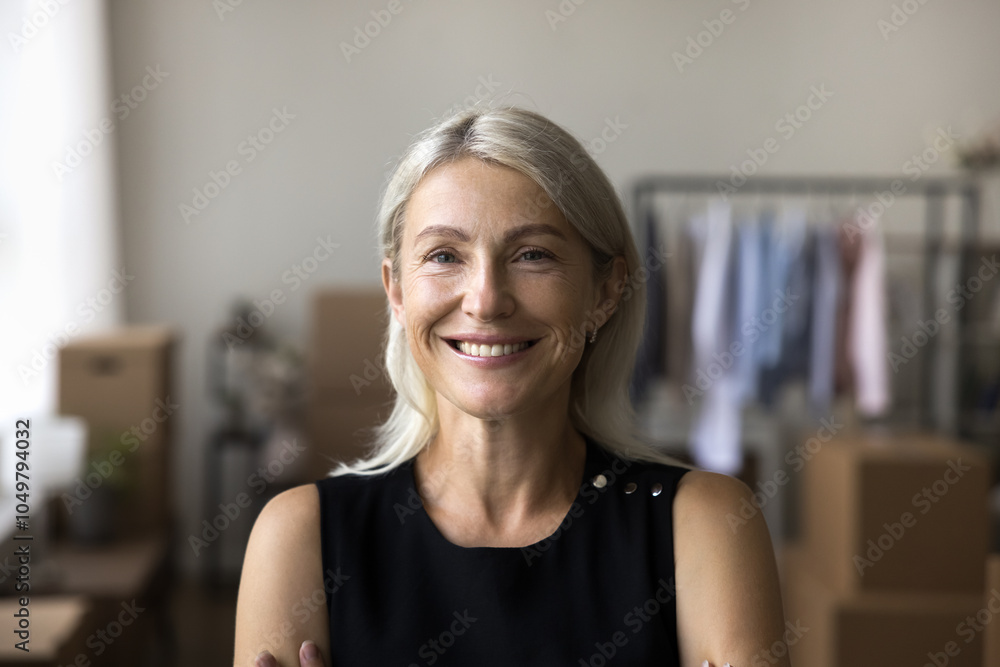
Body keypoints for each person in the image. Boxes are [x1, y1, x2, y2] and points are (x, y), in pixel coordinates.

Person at [233, 106, 790, 667]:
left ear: (605, 291)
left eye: (533, 255)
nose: (486, 299)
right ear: (396, 291)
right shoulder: (299, 536)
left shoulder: (704, 525)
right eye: (444, 255)